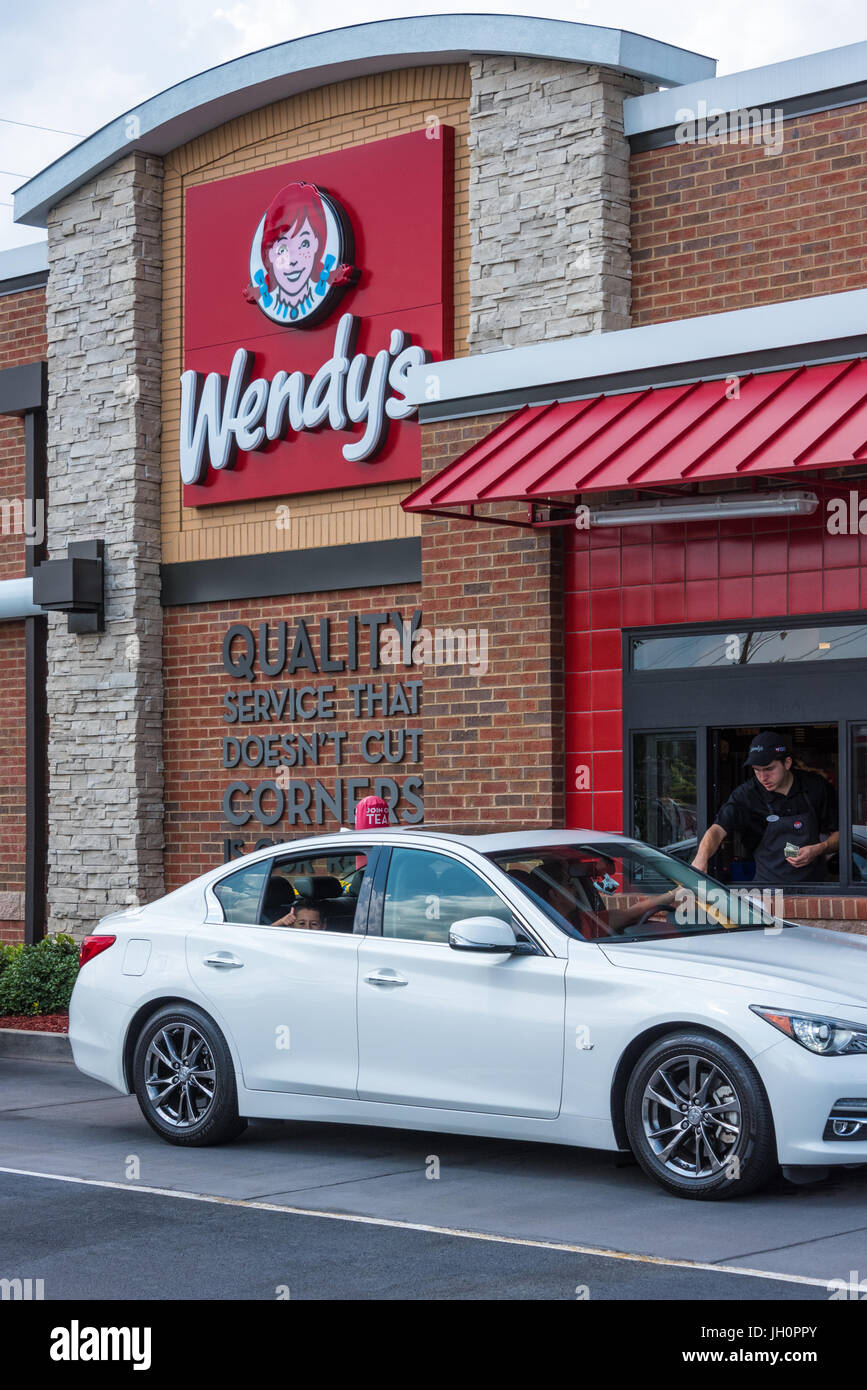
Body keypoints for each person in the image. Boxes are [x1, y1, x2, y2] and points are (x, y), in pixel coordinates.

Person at [691, 730, 838, 885]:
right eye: (756, 770)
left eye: (768, 769)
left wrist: (819, 849)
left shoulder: (816, 787)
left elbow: (840, 835)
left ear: (787, 763)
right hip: (767, 889)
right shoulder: (747, 795)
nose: (763, 777)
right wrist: (701, 859)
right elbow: (717, 829)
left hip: (816, 888)